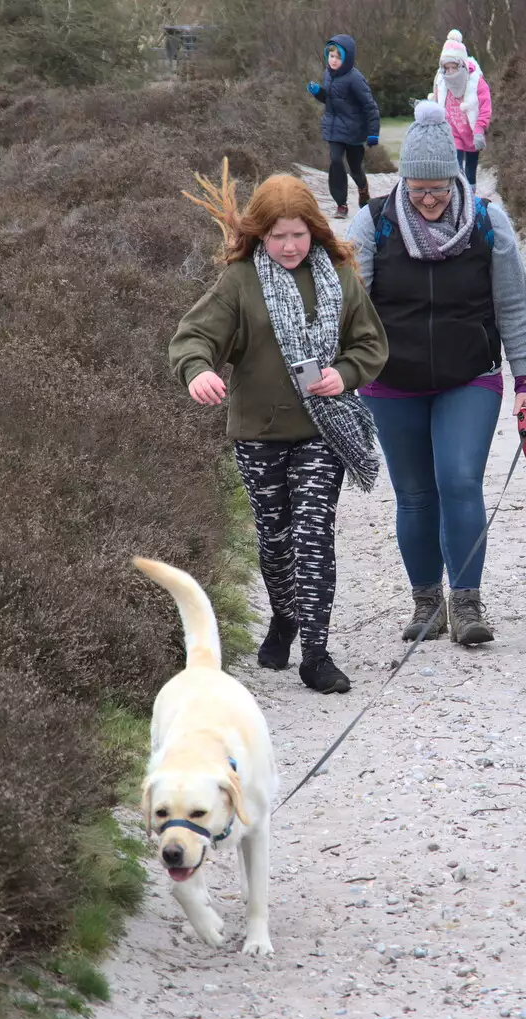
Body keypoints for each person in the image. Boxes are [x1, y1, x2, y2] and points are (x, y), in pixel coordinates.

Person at [170, 166, 388, 693]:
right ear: (259, 234)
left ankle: (316, 651)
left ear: (314, 229)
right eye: (276, 236)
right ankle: (283, 617)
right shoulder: (239, 281)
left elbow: (370, 344)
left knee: (312, 534)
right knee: (275, 539)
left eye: (298, 234)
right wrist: (198, 372)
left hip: (323, 429)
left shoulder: (338, 274)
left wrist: (346, 373)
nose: (289, 246)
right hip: (258, 433)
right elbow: (194, 337)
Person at [345, 100, 526, 647]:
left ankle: (468, 603)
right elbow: (351, 307)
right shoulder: (373, 223)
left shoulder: (486, 221)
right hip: (391, 380)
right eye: (417, 189)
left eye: (438, 188)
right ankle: (426, 602)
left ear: (456, 180)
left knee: (458, 480)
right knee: (414, 493)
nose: (428, 200)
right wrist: (345, 371)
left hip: (468, 376)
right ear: (403, 183)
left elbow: (516, 306)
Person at [307, 34, 381, 221]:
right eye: (331, 56)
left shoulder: (355, 79)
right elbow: (331, 100)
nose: (334, 60)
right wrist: (319, 93)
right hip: (335, 129)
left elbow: (370, 106)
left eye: (338, 57)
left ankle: (363, 189)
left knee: (355, 168)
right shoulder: (327, 75)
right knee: (336, 161)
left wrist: (373, 133)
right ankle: (341, 203)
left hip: (355, 131)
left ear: (347, 58)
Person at [428, 29, 492, 198]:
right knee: (456, 168)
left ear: (462, 64)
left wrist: (480, 129)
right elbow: (436, 101)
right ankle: (458, 197)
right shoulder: (441, 81)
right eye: (446, 68)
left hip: (472, 132)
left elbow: (485, 106)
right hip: (453, 132)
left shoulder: (477, 82)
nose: (450, 72)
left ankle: (470, 198)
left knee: (471, 169)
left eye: (453, 67)